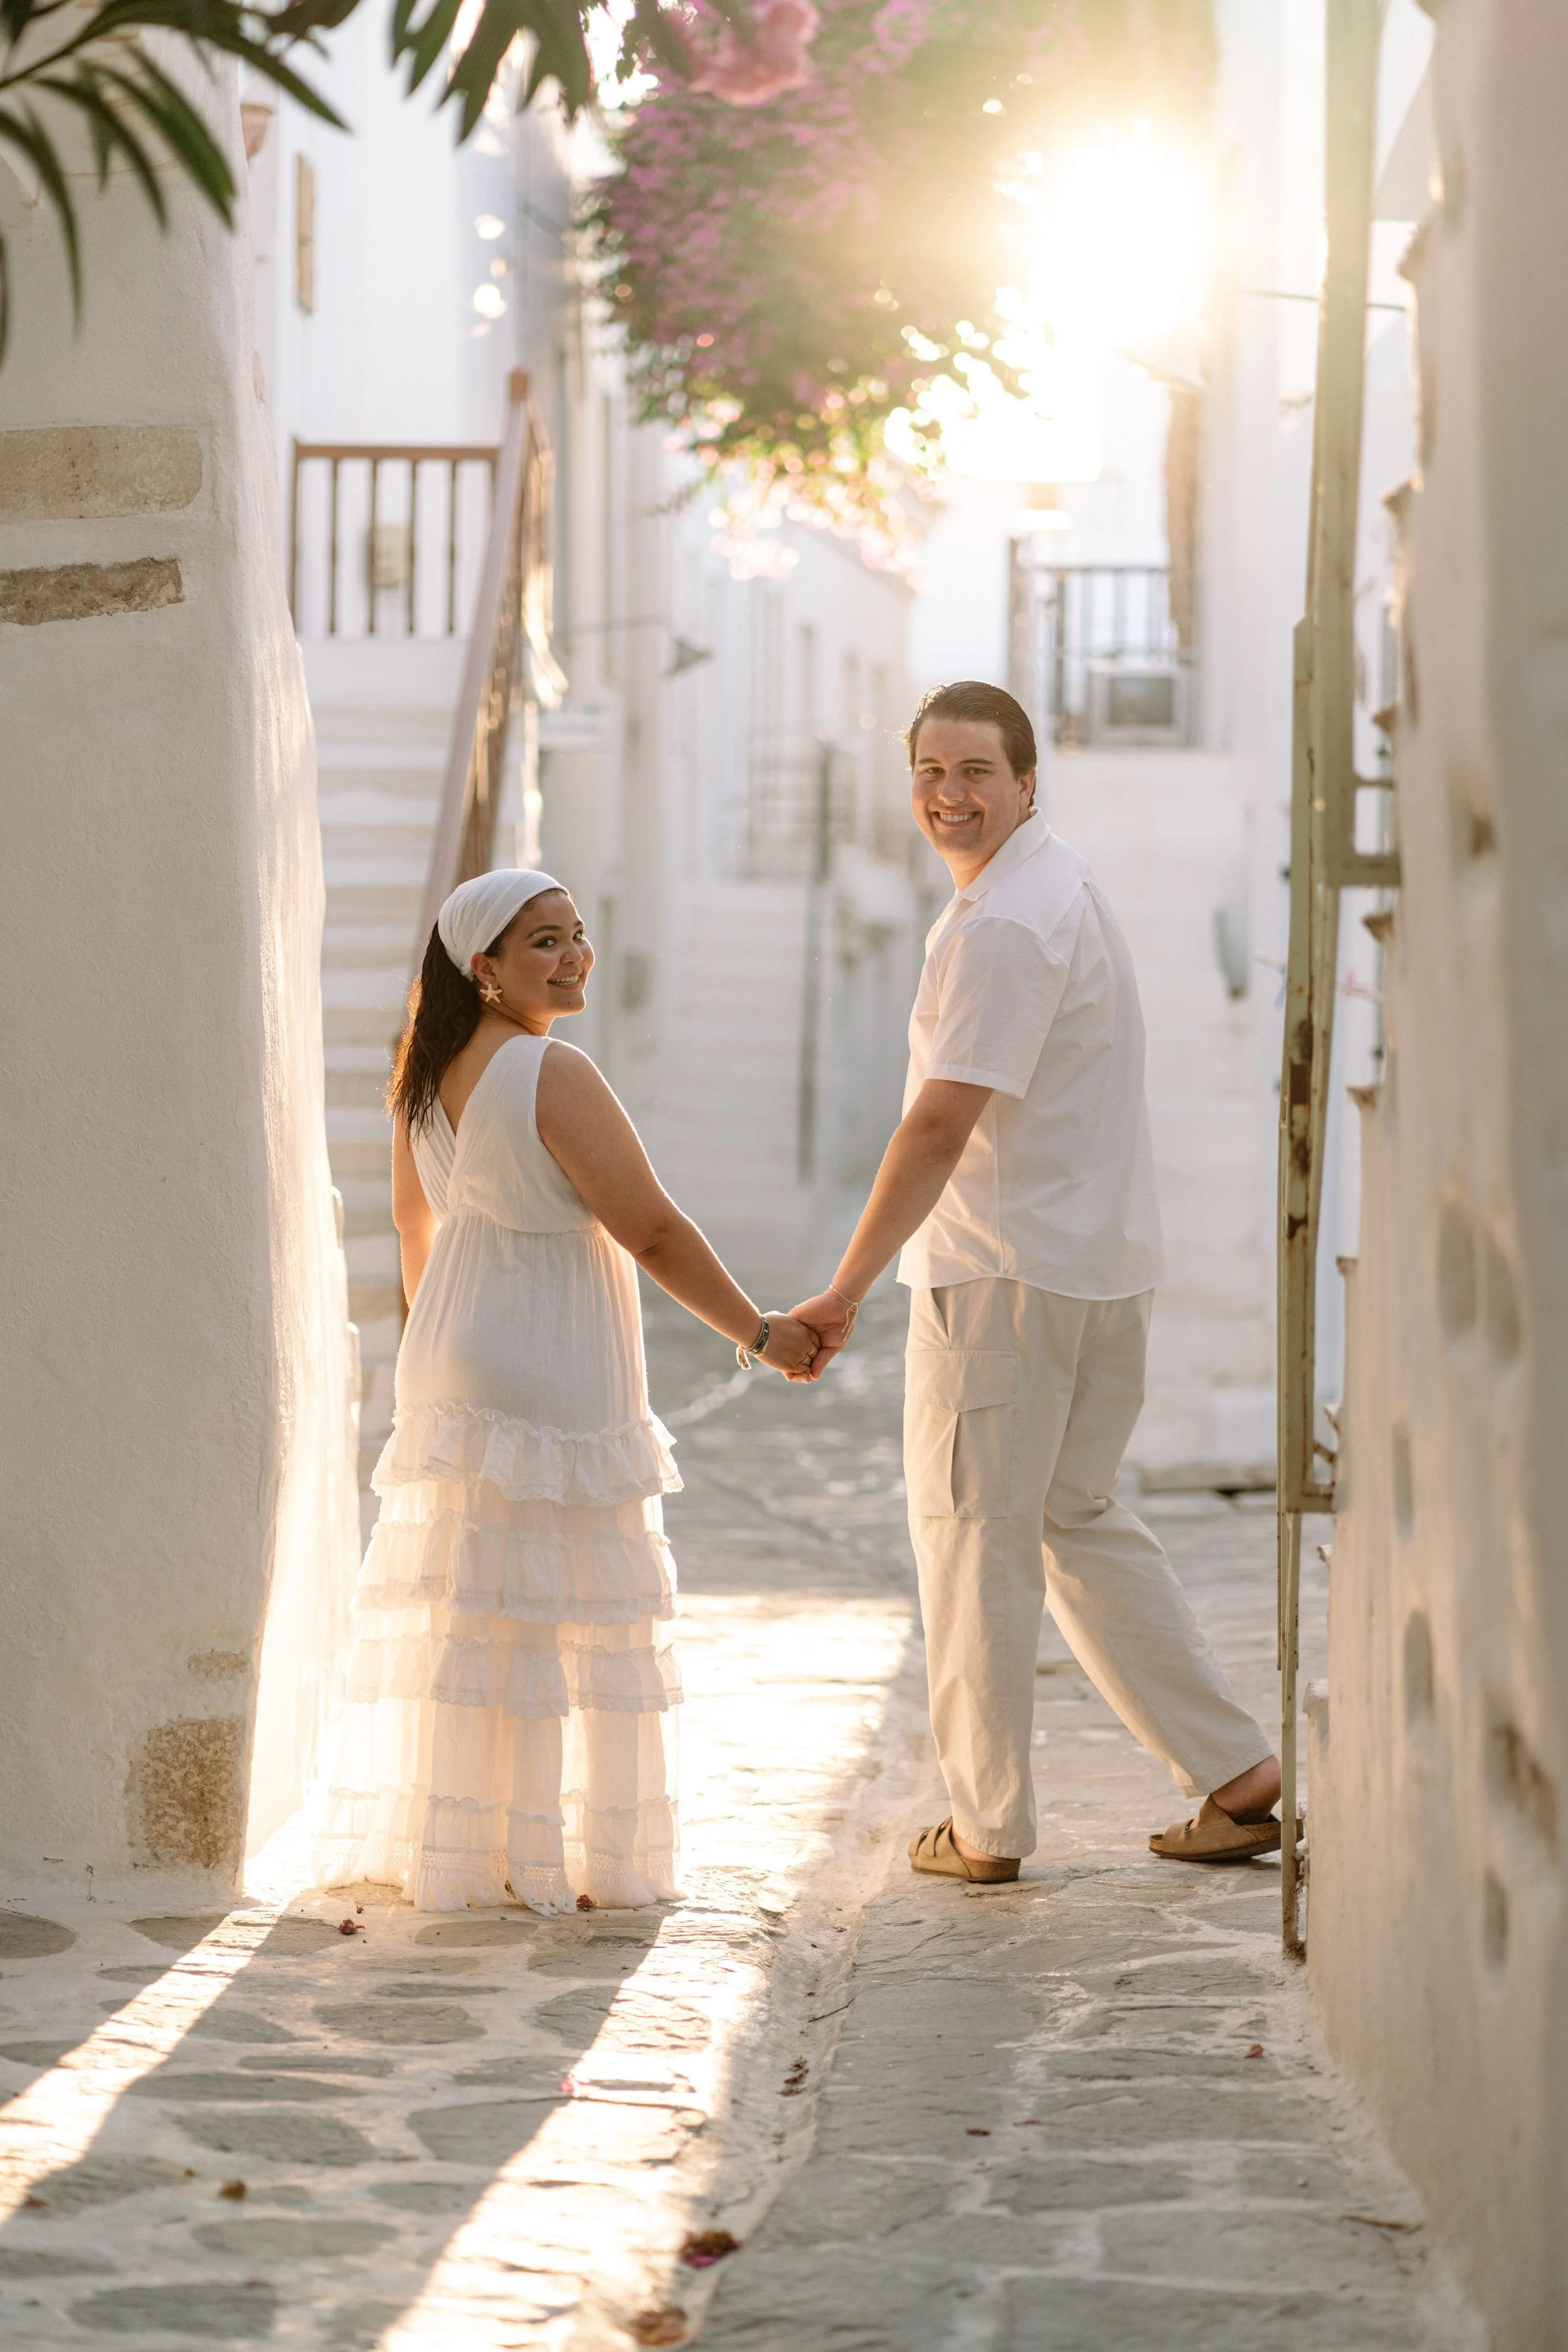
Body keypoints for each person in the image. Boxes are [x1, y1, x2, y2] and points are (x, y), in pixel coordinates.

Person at [792, 682, 1281, 1882]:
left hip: (1006, 1280)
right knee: (1074, 1519)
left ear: (1025, 781)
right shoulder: (1059, 883)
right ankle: (1237, 1774)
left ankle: (985, 1827)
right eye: (928, 773)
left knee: (973, 1541)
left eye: (973, 773)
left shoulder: (1006, 921)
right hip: (1095, 1266)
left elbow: (938, 1125)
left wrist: (843, 1287)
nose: (948, 796)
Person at [309, 867, 819, 1913]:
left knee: (475, 1601)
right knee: (552, 1604)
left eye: (577, 933)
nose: (574, 955)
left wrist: (449, 1346)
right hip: (545, 1343)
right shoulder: (553, 1070)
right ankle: (550, 1858)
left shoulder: (425, 1066)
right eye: (543, 941)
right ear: (483, 967)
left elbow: (416, 1227)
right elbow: (653, 1228)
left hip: (456, 1336)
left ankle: (465, 1850)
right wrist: (764, 1334)